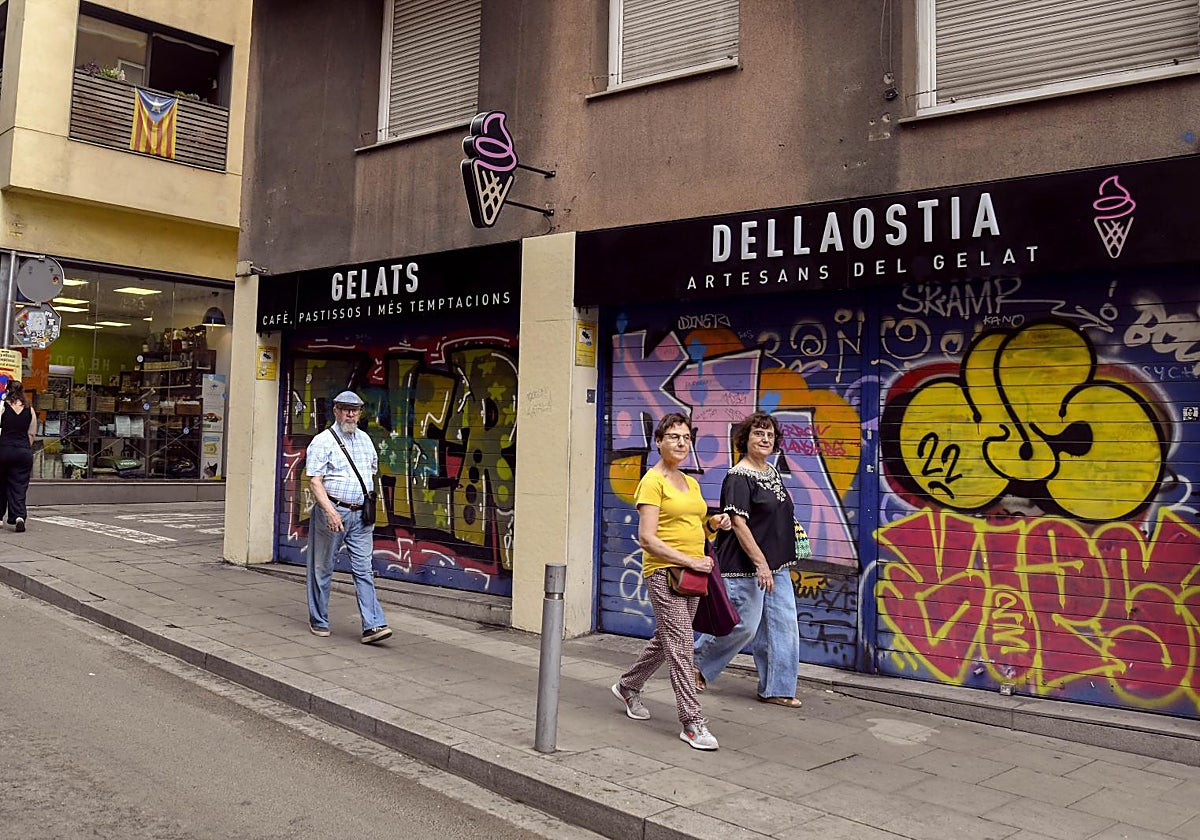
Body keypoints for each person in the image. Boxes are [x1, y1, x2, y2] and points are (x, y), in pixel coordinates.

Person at [612, 412, 731, 751]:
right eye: (673, 437)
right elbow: (647, 538)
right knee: (681, 645)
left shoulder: (689, 482)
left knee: (668, 638)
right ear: (659, 442)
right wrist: (689, 559)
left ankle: (628, 685)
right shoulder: (652, 481)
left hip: (693, 574)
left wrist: (714, 524)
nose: (681, 442)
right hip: (665, 572)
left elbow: (693, 525)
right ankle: (692, 722)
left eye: (685, 437)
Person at [693, 411, 802, 707]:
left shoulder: (770, 471)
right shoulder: (738, 477)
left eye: (769, 434)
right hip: (745, 566)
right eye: (758, 433)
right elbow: (740, 524)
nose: (765, 439)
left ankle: (777, 688)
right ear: (745, 439)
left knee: (782, 626)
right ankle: (696, 665)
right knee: (744, 625)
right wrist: (760, 564)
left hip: (776, 564)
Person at [305, 390, 392, 644]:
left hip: (361, 514)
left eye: (355, 409)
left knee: (364, 570)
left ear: (360, 412)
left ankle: (373, 625)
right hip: (333, 511)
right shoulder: (323, 441)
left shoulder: (365, 440)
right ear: (336, 411)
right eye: (345, 409)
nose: (350, 414)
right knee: (322, 568)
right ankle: (319, 620)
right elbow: (315, 481)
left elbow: (371, 472)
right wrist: (330, 511)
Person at [0, 381, 36, 533]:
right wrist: (24, 447)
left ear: (7, 391)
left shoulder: (2, 407)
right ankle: (19, 516)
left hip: (4, 450)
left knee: (1, 484)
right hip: (23, 451)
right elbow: (32, 433)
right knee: (19, 486)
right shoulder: (30, 409)